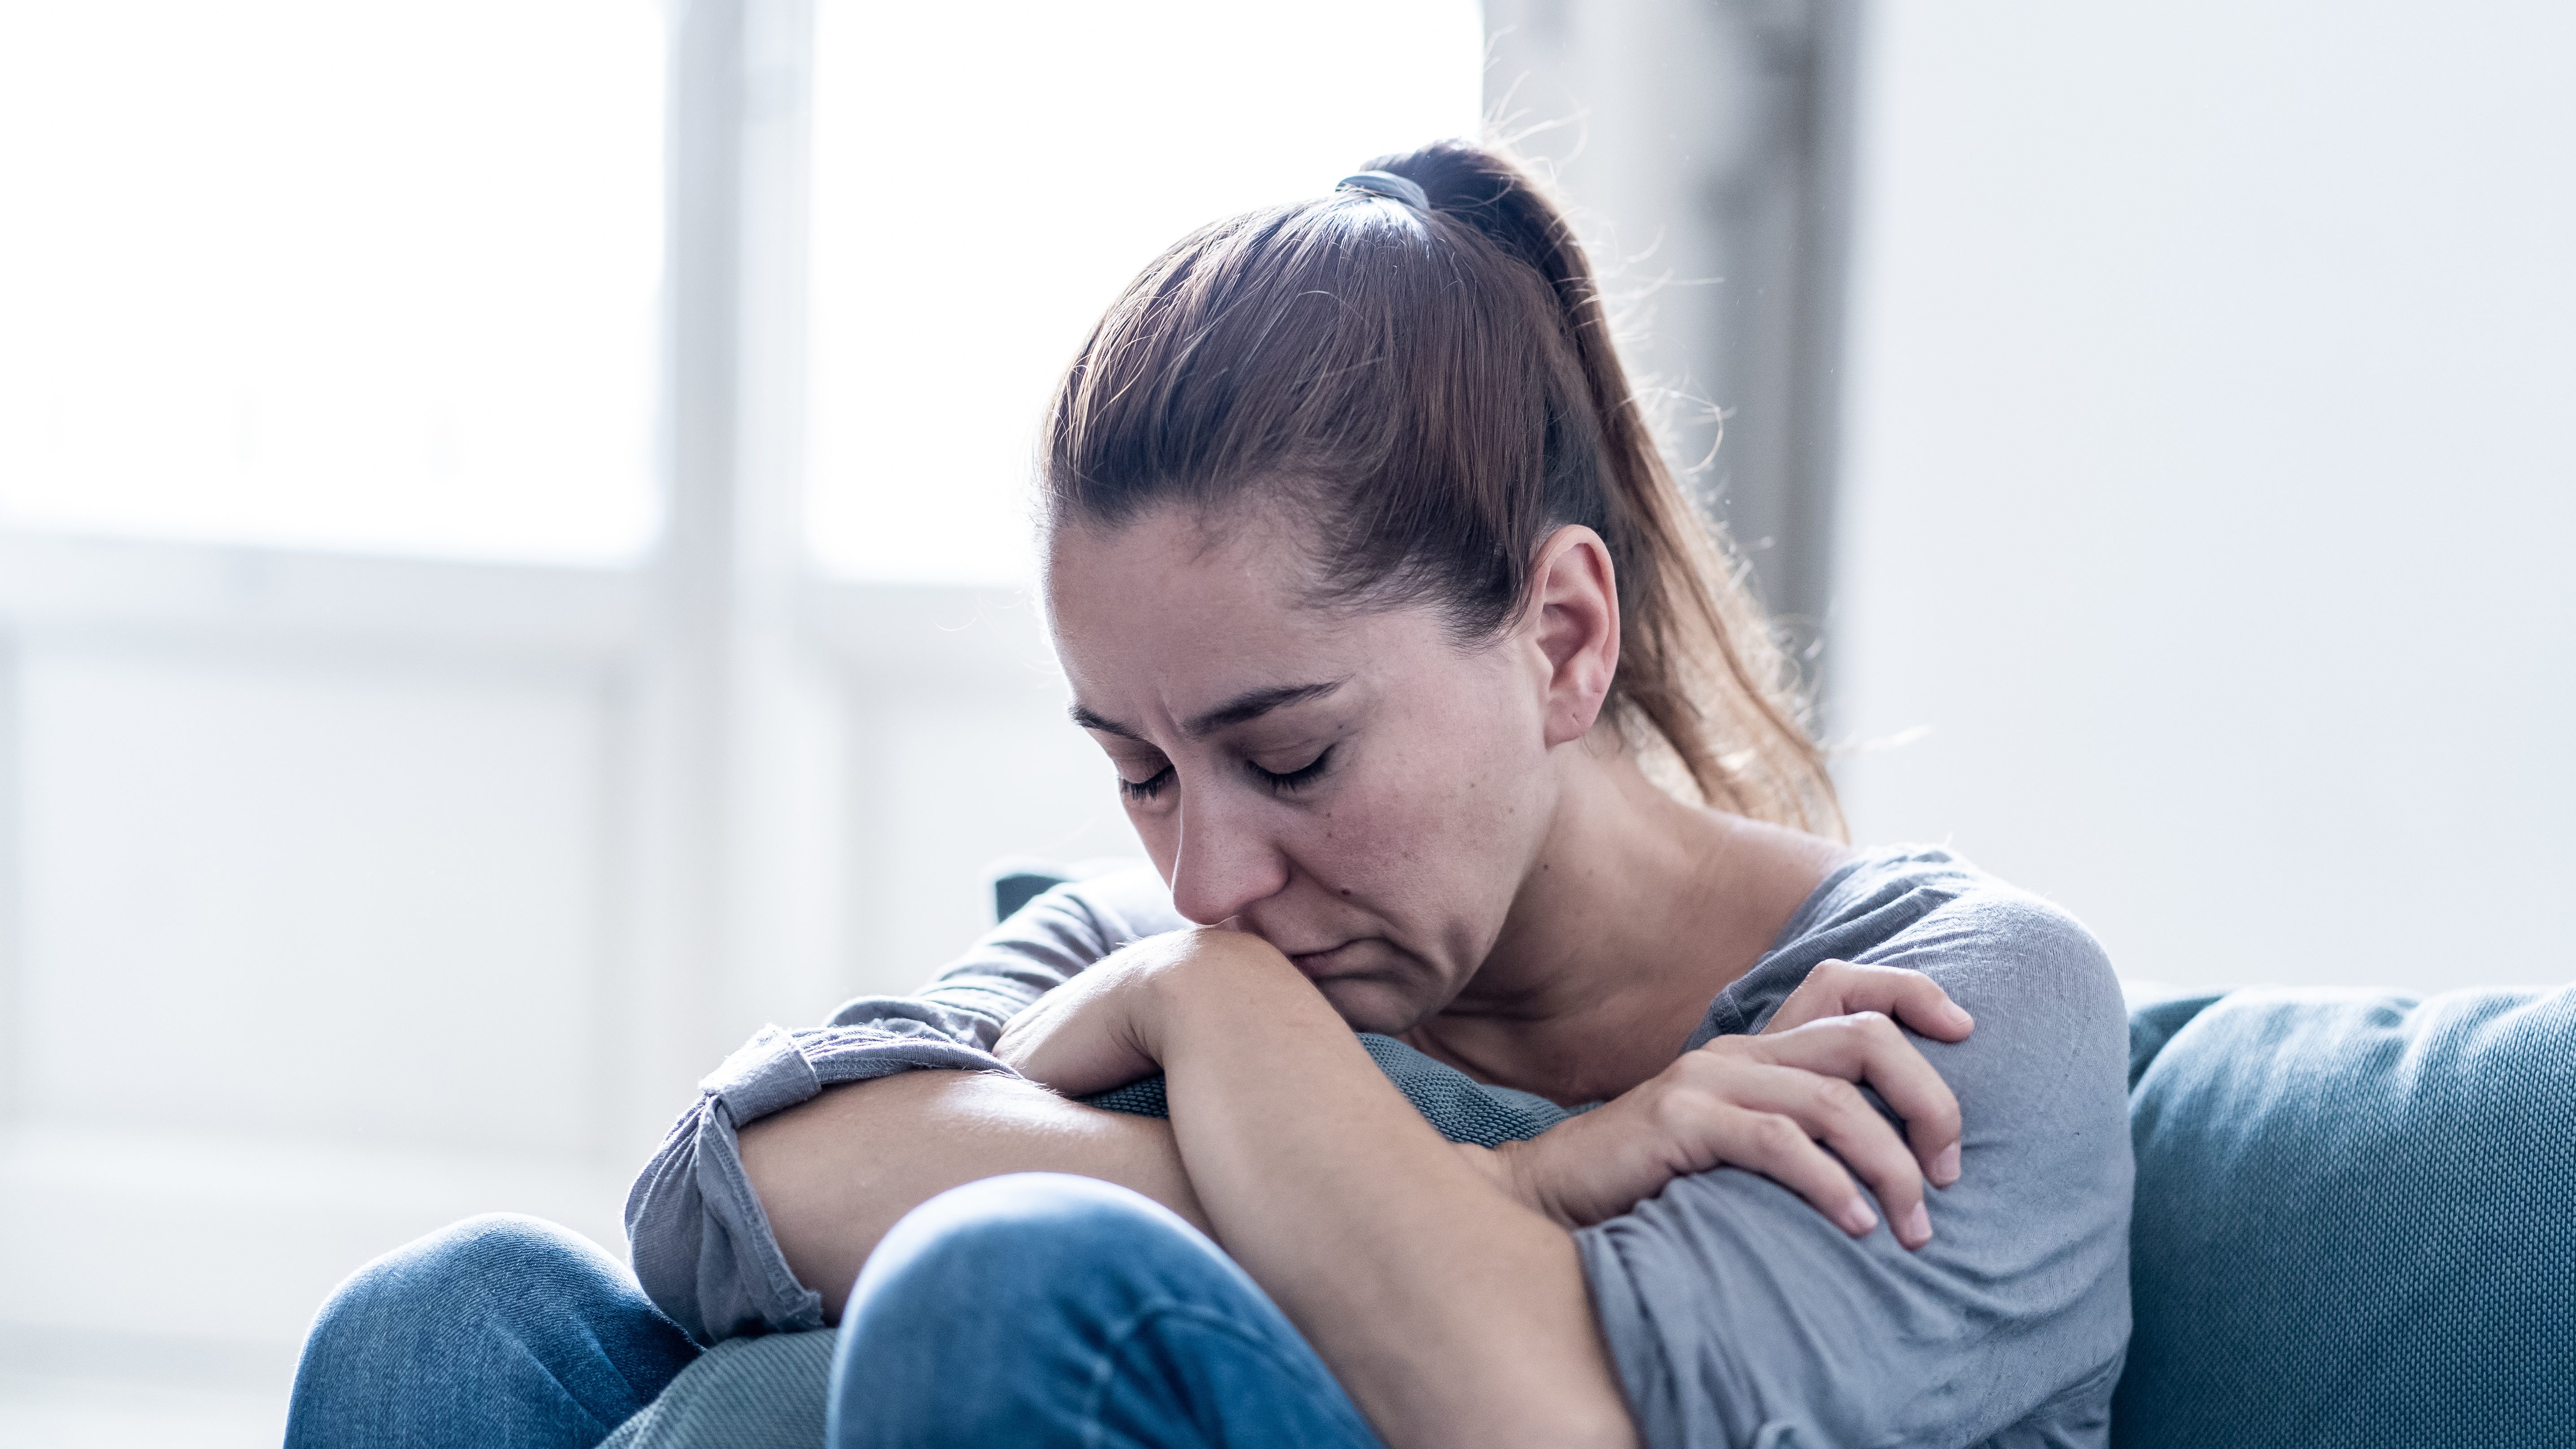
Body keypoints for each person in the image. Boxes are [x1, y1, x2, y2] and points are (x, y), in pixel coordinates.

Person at [286, 141, 2130, 1449]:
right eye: (1136, 769)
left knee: (1003, 1281)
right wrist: (1442, 1126)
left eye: (1291, 754)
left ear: (1561, 635)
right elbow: (723, 1192)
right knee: (445, 1328)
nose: (1207, 869)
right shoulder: (1172, 950)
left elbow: (1536, 1416)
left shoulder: (1938, 1014)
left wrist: (1205, 1052)